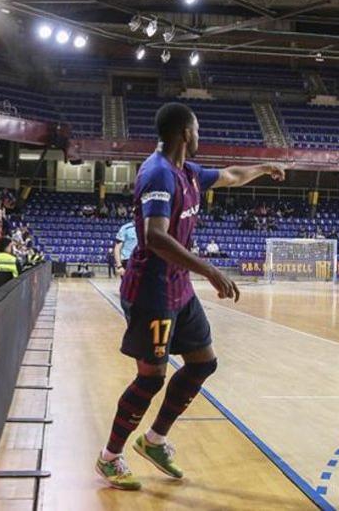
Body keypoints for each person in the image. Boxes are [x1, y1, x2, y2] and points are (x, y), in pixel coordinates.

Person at [96, 102, 285, 491]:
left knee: (203, 363)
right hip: (151, 291)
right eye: (197, 130)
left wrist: (263, 169)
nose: (200, 136)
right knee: (150, 379)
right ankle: (110, 456)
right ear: (185, 132)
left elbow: (231, 174)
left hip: (178, 288)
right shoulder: (158, 174)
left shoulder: (189, 172)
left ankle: (155, 441)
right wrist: (211, 270)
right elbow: (155, 236)